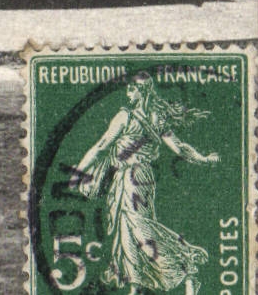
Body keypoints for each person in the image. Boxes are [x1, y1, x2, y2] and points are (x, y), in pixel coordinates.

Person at [72, 72, 218, 294]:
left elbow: (101, 146)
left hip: (132, 178)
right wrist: (203, 158)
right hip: (138, 177)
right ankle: (135, 286)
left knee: (139, 229)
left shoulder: (126, 116)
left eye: (131, 89)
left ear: (142, 92)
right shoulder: (157, 118)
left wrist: (78, 172)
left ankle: (185, 267)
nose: (128, 93)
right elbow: (180, 148)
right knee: (127, 230)